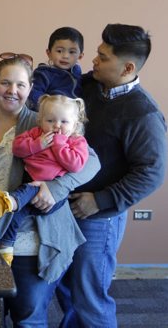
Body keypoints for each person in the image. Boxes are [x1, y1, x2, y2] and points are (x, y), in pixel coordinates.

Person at [0, 52, 100, 326]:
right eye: (6, 83)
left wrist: (54, 188)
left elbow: (91, 161)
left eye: (21, 85)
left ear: (30, 89)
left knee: (28, 317)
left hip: (31, 240)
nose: (12, 91)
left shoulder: (44, 121)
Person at [57, 24, 167, 327]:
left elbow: (152, 172)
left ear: (127, 67)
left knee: (89, 297)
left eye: (103, 57)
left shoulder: (142, 113)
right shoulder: (88, 85)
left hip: (99, 218)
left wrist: (101, 199)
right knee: (67, 291)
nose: (93, 60)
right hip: (66, 207)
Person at [0, 94, 89, 265]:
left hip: (49, 194)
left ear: (75, 124)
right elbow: (17, 147)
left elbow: (75, 165)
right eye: (50, 120)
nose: (56, 126)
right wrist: (37, 144)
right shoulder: (37, 133)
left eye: (64, 122)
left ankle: (4, 203)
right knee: (15, 218)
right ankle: (6, 248)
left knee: (25, 193)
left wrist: (59, 144)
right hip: (29, 183)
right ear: (40, 121)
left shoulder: (76, 141)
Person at [27, 27, 84, 110]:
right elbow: (34, 93)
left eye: (71, 52)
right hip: (51, 115)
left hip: (72, 117)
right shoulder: (44, 73)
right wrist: (50, 107)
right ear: (49, 53)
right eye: (59, 51)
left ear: (80, 56)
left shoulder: (77, 72)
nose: (65, 56)